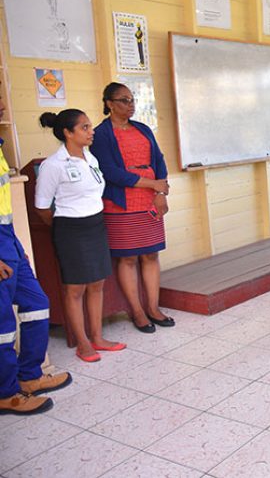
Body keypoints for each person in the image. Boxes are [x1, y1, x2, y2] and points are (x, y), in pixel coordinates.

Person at [0, 98, 72, 415]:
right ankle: (6, 393)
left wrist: (14, 246)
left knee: (36, 304)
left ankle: (29, 376)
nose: (4, 102)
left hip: (7, 237)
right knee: (3, 326)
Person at [36, 110, 124, 362]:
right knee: (75, 288)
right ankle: (83, 343)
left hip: (96, 224)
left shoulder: (90, 157)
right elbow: (42, 207)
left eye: (90, 126)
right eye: (84, 127)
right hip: (70, 229)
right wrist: (64, 227)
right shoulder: (53, 165)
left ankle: (97, 336)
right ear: (68, 132)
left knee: (97, 283)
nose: (91, 131)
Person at [90, 82, 173, 333]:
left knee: (151, 255)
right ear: (109, 104)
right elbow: (111, 172)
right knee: (127, 259)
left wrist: (159, 191)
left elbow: (158, 160)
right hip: (121, 203)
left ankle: (153, 307)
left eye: (132, 99)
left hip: (150, 200)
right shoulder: (101, 135)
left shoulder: (143, 129)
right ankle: (137, 312)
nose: (130, 105)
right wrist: (152, 183)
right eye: (124, 100)